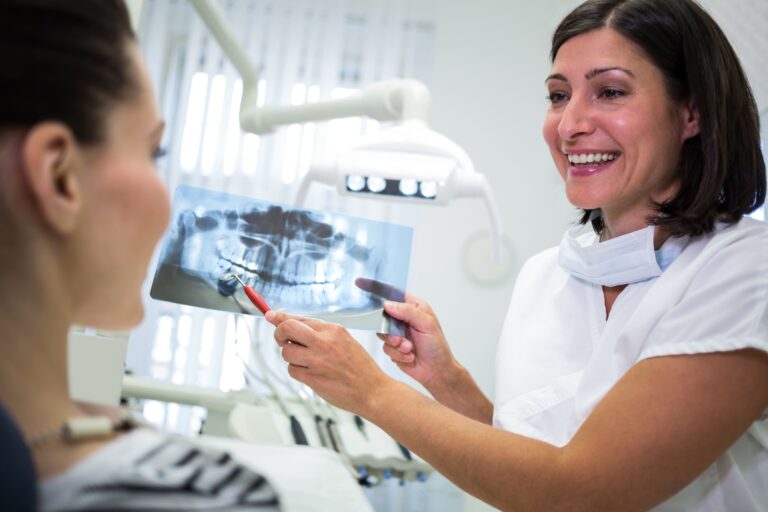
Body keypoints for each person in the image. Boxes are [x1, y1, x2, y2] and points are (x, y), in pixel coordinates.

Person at [265, 0, 768, 510]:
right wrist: (447, 381)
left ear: (692, 111)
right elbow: (527, 464)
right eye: (557, 95)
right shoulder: (546, 275)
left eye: (610, 92)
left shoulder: (745, 269)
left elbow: (581, 491)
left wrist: (370, 391)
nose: (569, 124)